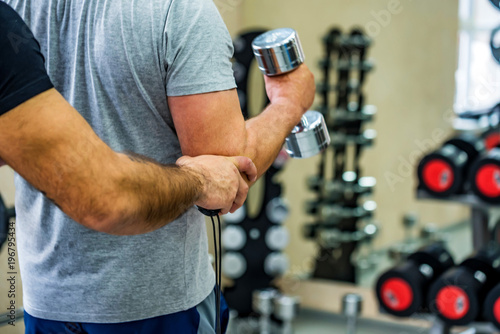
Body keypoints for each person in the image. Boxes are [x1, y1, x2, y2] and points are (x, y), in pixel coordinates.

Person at [4, 0, 316, 333]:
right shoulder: (180, 9)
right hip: (157, 308)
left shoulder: (11, 9)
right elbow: (227, 170)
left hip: (45, 302)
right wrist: (288, 104)